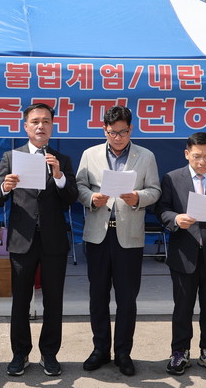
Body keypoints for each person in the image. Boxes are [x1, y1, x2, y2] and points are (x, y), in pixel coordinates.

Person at [0, 103, 78, 377]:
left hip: (53, 239)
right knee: (20, 300)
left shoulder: (62, 159)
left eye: (46, 121)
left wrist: (59, 176)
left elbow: (71, 198)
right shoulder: (11, 157)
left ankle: (49, 353)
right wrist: (6, 186)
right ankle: (20, 353)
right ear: (26, 126)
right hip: (22, 238)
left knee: (53, 300)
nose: (41, 126)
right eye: (35, 121)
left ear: (52, 126)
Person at [75, 105, 161, 376]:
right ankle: (100, 349)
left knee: (127, 298)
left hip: (129, 236)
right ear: (104, 130)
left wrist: (138, 198)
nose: (118, 137)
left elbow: (155, 190)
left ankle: (123, 352)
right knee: (98, 296)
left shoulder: (145, 156)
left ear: (131, 129)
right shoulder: (90, 155)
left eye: (123, 132)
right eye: (113, 132)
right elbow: (79, 186)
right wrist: (91, 198)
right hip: (98, 235)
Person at [155, 131, 206, 378]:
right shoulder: (172, 179)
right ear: (187, 154)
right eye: (197, 156)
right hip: (184, 253)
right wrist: (175, 219)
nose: (202, 162)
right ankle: (179, 352)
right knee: (182, 307)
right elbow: (161, 209)